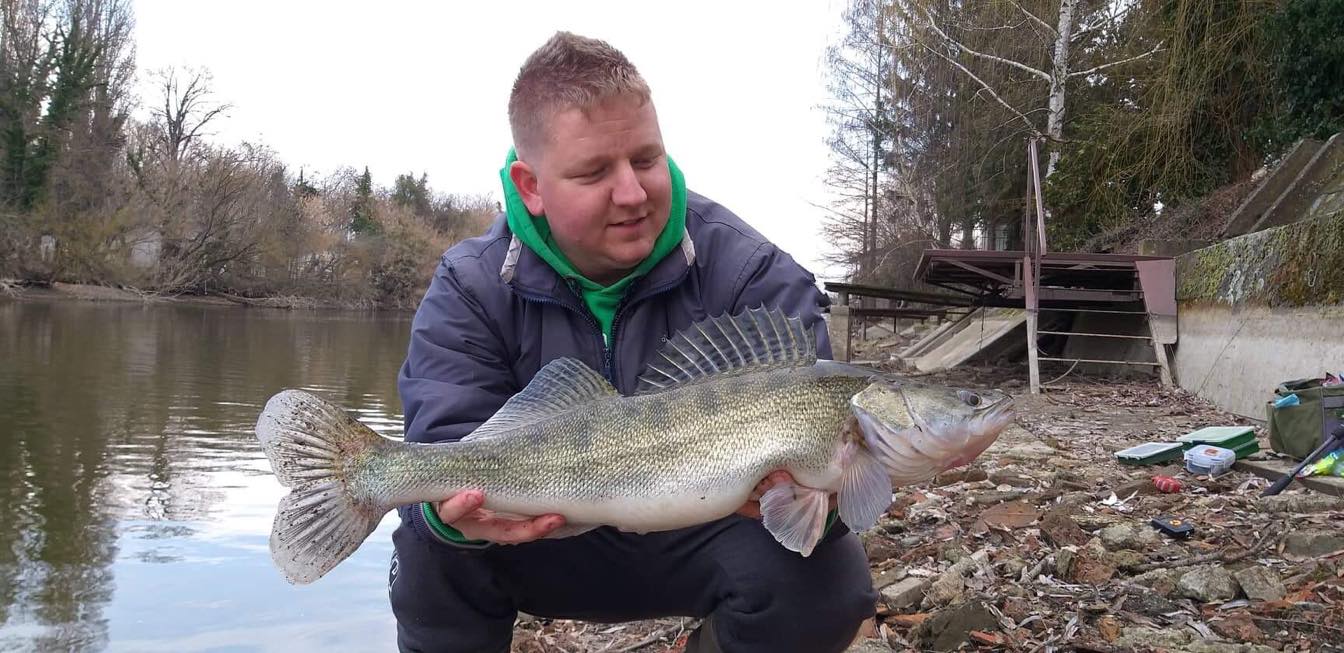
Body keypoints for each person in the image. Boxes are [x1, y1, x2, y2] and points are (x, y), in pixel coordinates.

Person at [391, 31, 876, 653]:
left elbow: (823, 451)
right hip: (540, 532)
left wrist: (833, 495)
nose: (633, 193)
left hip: (705, 525)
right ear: (530, 185)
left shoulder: (752, 273)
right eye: (594, 172)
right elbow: (443, 438)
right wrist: (449, 517)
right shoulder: (471, 285)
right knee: (431, 549)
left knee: (828, 580)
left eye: (646, 159)